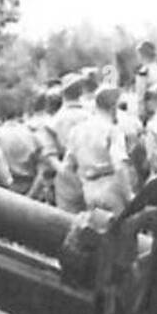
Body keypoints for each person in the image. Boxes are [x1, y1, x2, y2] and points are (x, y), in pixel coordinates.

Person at [65, 83, 133, 213]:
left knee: (96, 231)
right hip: (111, 188)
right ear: (114, 107)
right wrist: (129, 195)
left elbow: (67, 167)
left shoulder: (77, 130)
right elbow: (119, 166)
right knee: (118, 231)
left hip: (89, 190)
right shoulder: (112, 130)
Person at [51, 74, 90, 213]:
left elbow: (51, 153)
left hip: (67, 178)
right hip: (92, 176)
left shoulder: (55, 121)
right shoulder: (91, 116)